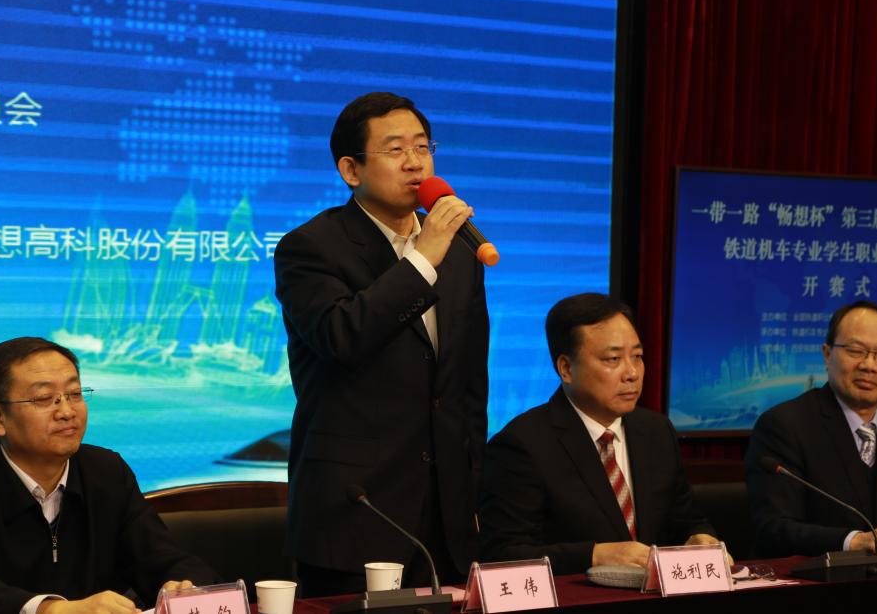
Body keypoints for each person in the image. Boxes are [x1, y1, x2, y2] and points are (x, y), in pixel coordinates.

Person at [273, 91, 490, 595]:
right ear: (351, 170)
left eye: (423, 146)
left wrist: (474, 493)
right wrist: (422, 260)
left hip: (447, 519)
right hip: (357, 512)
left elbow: (467, 386)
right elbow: (341, 337)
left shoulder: (459, 252)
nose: (415, 162)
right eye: (395, 150)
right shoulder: (310, 247)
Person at [0, 337, 217, 614]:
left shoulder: (106, 472)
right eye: (44, 398)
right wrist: (52, 610)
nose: (67, 411)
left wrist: (182, 586)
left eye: (74, 394)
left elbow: (162, 556)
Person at [478, 293, 719, 574]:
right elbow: (502, 554)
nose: (632, 373)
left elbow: (686, 519)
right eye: (613, 359)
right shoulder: (523, 445)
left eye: (638, 357)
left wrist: (700, 538)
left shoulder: (656, 431)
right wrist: (594, 555)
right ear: (566, 368)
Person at [745, 300, 877, 557]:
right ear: (827, 353)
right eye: (856, 350)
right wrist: (854, 541)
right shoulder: (784, 425)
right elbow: (773, 528)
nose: (869, 365)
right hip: (811, 579)